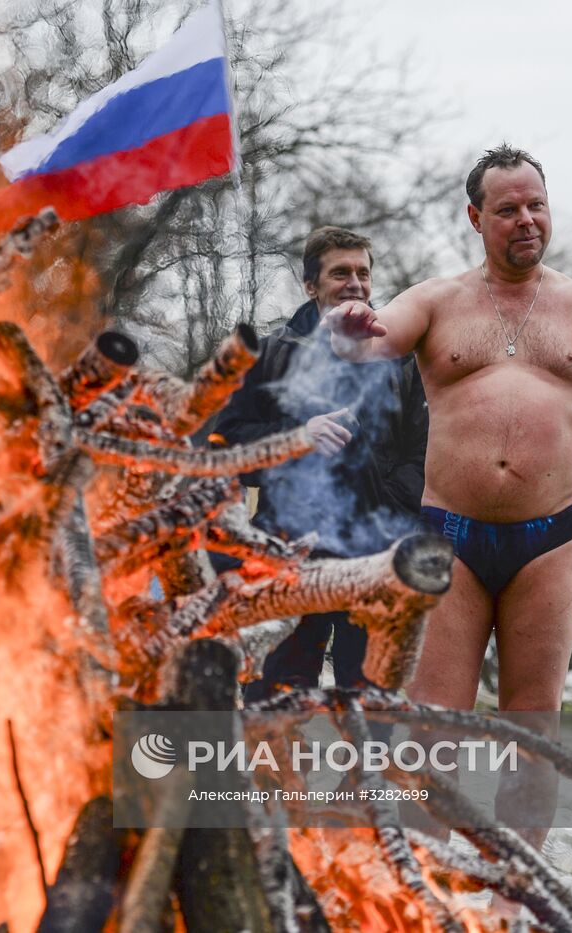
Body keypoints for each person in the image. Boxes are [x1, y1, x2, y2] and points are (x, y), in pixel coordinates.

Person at [324, 147, 572, 901]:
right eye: (508, 208)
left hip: (550, 540)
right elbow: (374, 337)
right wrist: (352, 326)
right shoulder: (439, 300)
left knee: (533, 730)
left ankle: (518, 899)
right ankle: (427, 897)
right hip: (452, 539)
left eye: (536, 203)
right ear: (476, 217)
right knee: (435, 728)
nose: (527, 219)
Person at [214, 226, 429, 700]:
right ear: (310, 285)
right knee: (274, 702)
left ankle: (362, 778)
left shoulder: (400, 359)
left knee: (372, 707)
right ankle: (275, 777)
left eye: (363, 273)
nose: (355, 283)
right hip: (288, 558)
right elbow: (223, 446)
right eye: (340, 273)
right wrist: (295, 440)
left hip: (373, 561)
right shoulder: (269, 355)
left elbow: (424, 454)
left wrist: (385, 508)